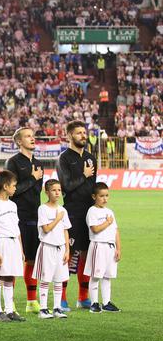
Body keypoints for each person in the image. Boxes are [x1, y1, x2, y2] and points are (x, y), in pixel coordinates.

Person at [57, 120, 97, 309]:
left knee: (86, 254)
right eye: (79, 132)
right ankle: (62, 297)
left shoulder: (91, 158)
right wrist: (84, 175)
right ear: (69, 136)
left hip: (89, 211)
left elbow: (92, 186)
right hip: (72, 211)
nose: (83, 135)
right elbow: (66, 186)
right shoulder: (64, 159)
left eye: (84, 132)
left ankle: (83, 297)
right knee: (68, 253)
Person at [4, 127, 43, 314]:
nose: (32, 138)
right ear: (19, 141)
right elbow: (13, 191)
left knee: (32, 260)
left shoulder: (37, 162)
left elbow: (37, 191)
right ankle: (9, 302)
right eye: (28, 136)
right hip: (17, 217)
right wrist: (32, 178)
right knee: (14, 260)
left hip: (34, 217)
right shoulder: (12, 162)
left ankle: (31, 301)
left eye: (33, 136)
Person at [0, 170, 26, 323]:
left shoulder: (13, 205)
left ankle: (10, 310)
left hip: (14, 243)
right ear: (5, 186)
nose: (16, 188)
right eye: (14, 185)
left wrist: (21, 249)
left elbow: (16, 228)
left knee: (10, 276)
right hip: (1, 242)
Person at [34, 179, 71, 319]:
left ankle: (57, 308)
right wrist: (57, 219)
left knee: (59, 279)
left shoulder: (63, 210)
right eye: (54, 190)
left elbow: (66, 231)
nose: (57, 193)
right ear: (47, 192)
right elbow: (46, 228)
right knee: (45, 279)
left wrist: (67, 250)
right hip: (47, 248)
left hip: (60, 249)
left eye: (59, 190)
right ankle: (43, 309)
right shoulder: (43, 209)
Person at [85, 183, 121, 313]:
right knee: (96, 275)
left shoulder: (109, 211)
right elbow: (94, 229)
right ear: (94, 196)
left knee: (107, 276)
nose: (105, 199)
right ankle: (94, 303)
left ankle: (106, 303)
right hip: (98, 246)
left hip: (110, 247)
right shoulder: (92, 211)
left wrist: (118, 248)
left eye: (107, 196)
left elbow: (116, 230)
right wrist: (107, 222)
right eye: (101, 196)